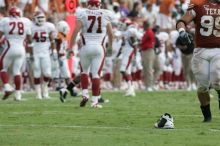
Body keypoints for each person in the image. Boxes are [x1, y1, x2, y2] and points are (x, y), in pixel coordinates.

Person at [60, 0, 113, 108]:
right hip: (99, 48)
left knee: (84, 72)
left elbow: (75, 31)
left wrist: (70, 48)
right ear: (99, 5)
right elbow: (111, 34)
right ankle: (94, 102)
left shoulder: (83, 13)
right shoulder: (105, 14)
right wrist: (110, 47)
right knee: (96, 75)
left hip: (85, 47)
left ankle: (84, 94)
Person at [176, 0, 220, 122]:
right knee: (202, 87)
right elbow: (182, 21)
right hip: (201, 51)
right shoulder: (199, 5)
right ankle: (207, 117)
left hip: (219, 50)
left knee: (218, 81)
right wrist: (182, 32)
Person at [0, 6, 32, 101]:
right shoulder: (26, 21)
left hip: (10, 47)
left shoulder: (5, 21)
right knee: (17, 71)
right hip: (21, 49)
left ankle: (7, 87)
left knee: (2, 68)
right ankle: (18, 95)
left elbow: (0, 35)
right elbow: (30, 40)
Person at [31, 10, 56, 99]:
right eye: (39, 17)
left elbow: (52, 39)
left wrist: (54, 51)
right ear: (34, 18)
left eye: (42, 17)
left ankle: (44, 89)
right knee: (37, 74)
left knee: (47, 73)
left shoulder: (49, 26)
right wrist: (29, 53)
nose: (41, 19)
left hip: (46, 52)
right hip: (35, 53)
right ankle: (38, 93)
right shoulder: (31, 26)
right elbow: (29, 41)